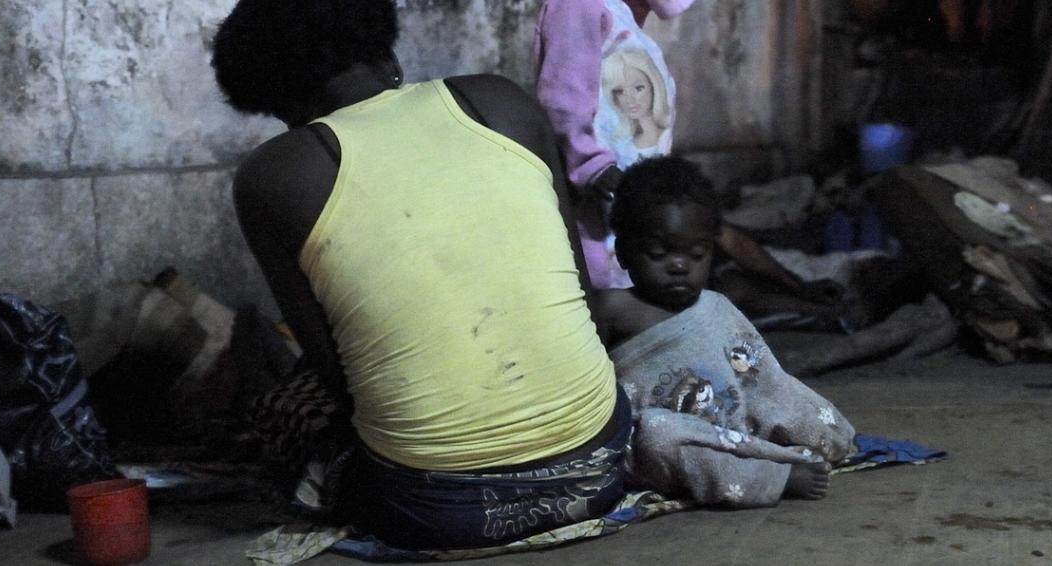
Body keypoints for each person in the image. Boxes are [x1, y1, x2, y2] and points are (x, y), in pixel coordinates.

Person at [211, 0, 629, 550]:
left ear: (278, 101)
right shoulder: (499, 102)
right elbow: (584, 296)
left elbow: (337, 377)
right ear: (387, 52)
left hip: (434, 510)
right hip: (600, 467)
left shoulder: (275, 174)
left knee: (288, 403)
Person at [537, 0, 847, 321]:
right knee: (635, 311)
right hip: (604, 234)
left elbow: (714, 230)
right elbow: (564, 97)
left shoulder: (629, 31)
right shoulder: (578, 5)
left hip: (638, 219)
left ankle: (814, 309)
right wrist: (592, 165)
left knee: (698, 281)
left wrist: (798, 286)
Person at [589, 156, 855, 507]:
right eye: (658, 253)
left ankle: (789, 448)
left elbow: (764, 382)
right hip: (674, 442)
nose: (680, 265)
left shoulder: (716, 307)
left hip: (736, 427)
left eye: (696, 254)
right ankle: (770, 476)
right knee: (656, 436)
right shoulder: (612, 309)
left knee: (797, 405)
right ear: (624, 254)